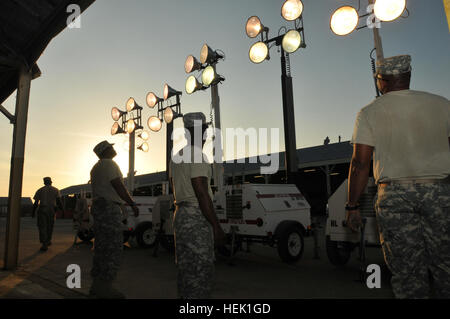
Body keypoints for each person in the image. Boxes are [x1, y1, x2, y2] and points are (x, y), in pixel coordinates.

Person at [347, 55, 450, 298]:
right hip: (440, 193)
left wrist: (352, 205)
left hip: (395, 196)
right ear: (408, 76)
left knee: (407, 272)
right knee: (446, 264)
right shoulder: (442, 104)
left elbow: (360, 164)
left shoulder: (369, 112)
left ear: (381, 81)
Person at [169, 112, 225, 299]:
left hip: (181, 215)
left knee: (186, 269)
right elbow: (201, 192)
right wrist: (216, 227)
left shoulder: (176, 157)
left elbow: (174, 187)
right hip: (196, 217)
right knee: (201, 270)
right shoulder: (198, 155)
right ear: (203, 133)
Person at [89, 140, 139, 299]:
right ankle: (105, 288)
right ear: (105, 151)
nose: (113, 148)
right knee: (113, 247)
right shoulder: (109, 164)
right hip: (108, 208)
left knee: (102, 246)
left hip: (99, 207)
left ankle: (97, 286)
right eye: (110, 147)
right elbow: (118, 186)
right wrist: (132, 204)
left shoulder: (96, 167)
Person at [32, 177, 64, 251]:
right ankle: (48, 240)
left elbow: (36, 203)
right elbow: (59, 201)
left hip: (42, 210)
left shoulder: (40, 190)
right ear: (51, 182)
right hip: (51, 210)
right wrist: (62, 211)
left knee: (42, 227)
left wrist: (33, 212)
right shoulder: (56, 190)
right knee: (50, 226)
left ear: (44, 182)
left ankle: (44, 244)